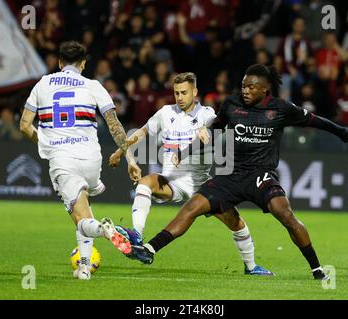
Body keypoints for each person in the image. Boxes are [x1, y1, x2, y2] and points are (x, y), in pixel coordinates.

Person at [130, 64, 348, 280]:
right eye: (244, 86)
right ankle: (149, 248)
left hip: (261, 176)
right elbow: (212, 131)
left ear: (264, 89)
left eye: (251, 87)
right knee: (192, 207)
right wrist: (185, 150)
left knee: (285, 214)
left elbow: (315, 121)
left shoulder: (280, 108)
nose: (245, 91)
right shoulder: (232, 105)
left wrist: (340, 131)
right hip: (231, 175)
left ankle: (316, 267)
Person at [108, 72, 274, 276]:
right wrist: (119, 151)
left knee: (234, 221)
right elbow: (142, 132)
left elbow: (223, 124)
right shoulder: (165, 113)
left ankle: (251, 266)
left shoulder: (205, 113)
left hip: (201, 185)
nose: (180, 97)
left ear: (194, 92)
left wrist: (208, 128)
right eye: (176, 92)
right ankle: (137, 236)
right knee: (145, 183)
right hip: (172, 181)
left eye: (184, 92)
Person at [19, 41, 135, 280]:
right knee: (84, 208)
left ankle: (105, 230)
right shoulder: (93, 85)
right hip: (92, 157)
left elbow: (24, 125)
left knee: (83, 219)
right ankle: (84, 268)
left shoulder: (43, 83)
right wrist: (130, 158)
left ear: (59, 63)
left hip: (63, 159)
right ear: (83, 64)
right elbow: (115, 125)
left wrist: (44, 143)